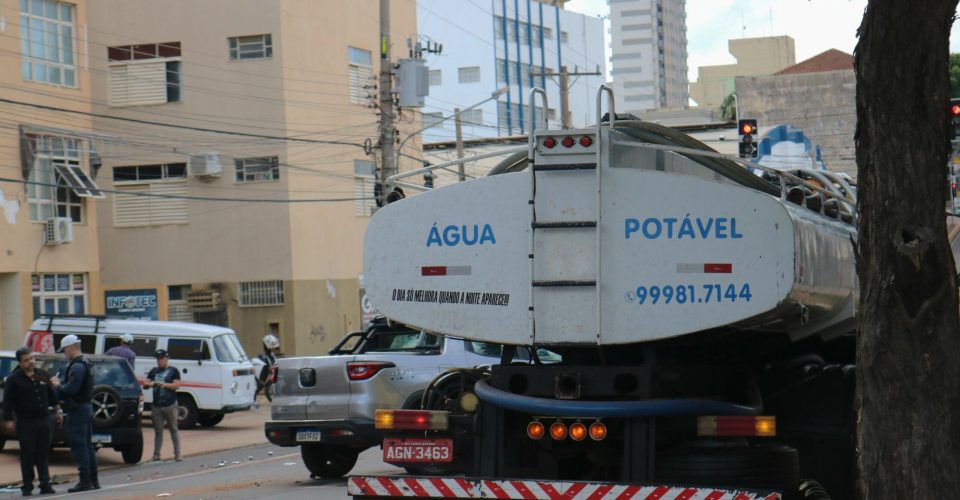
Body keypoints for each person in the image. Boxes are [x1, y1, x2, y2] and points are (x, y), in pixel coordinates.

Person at [2, 348, 60, 496]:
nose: (30, 362)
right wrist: (8, 420)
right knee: (28, 454)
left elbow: (51, 395)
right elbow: (7, 402)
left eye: (32, 358)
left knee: (43, 453)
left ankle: (45, 483)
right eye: (26, 360)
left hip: (43, 420)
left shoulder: (41, 375)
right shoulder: (14, 379)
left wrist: (58, 410)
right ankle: (27, 485)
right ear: (20, 363)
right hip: (26, 422)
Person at [53, 334, 99, 492]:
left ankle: (85, 481)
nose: (64, 353)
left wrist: (58, 385)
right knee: (87, 446)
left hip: (78, 409)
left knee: (80, 446)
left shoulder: (77, 366)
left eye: (65, 350)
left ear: (71, 347)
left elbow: (71, 389)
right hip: (85, 408)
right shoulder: (85, 363)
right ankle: (93, 480)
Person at [146, 349, 181, 461]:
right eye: (158, 359)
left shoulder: (173, 371)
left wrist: (164, 385)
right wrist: (150, 384)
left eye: (161, 358)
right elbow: (145, 384)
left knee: (173, 429)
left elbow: (177, 385)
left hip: (170, 404)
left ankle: (178, 453)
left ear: (166, 358)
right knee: (158, 430)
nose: (159, 361)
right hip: (157, 405)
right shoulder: (153, 371)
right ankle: (156, 454)